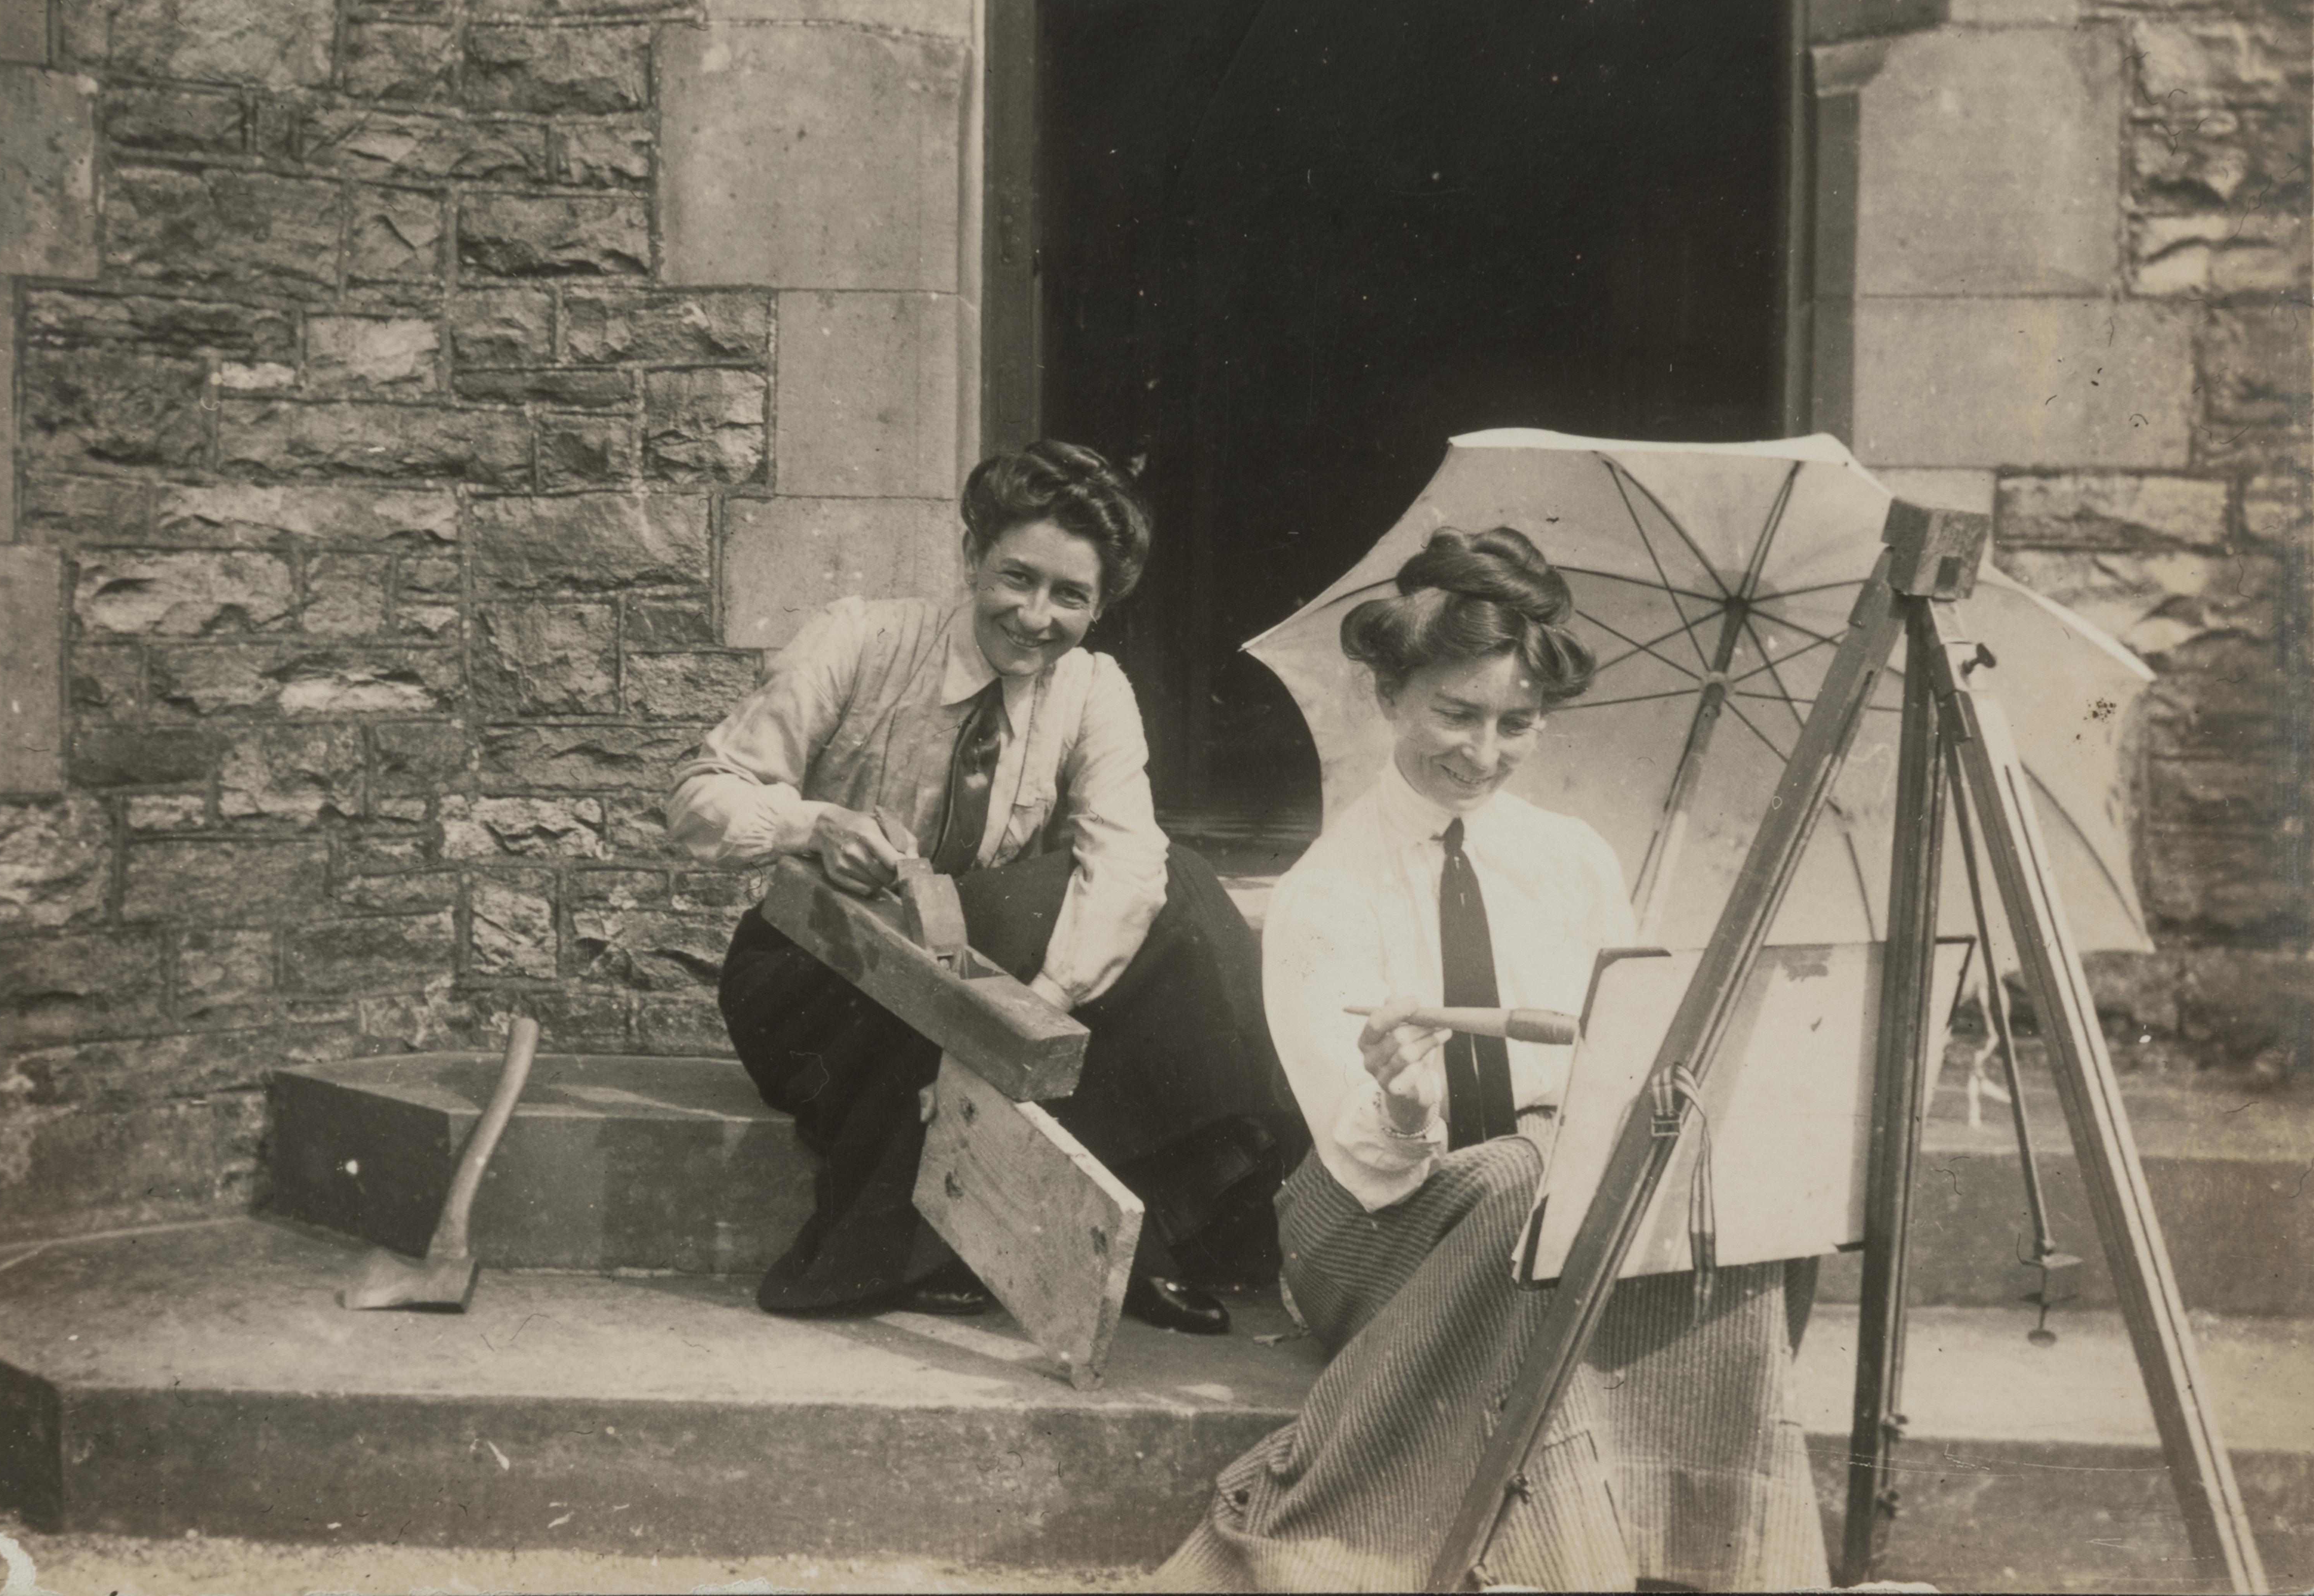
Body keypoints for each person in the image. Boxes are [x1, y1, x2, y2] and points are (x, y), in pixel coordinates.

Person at [1159, 525, 1830, 1591]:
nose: (1481, 750)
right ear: (1388, 697)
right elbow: (1368, 1158)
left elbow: (1620, 1067)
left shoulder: (1573, 861)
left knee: (1718, 1202)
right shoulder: (1325, 888)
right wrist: (1403, 1097)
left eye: (1517, 723)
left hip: (1541, 1199)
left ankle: (1720, 1546)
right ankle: (1545, 1553)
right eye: (1455, 713)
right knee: (1527, 1182)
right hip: (1370, 1219)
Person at [666, 440, 1302, 1333]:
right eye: (1017, 578)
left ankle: (1153, 1220)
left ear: (1101, 604)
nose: (1036, 616)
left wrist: (1032, 1018)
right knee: (1011, 921)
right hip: (820, 981)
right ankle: (908, 1244)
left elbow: (1126, 866)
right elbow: (696, 799)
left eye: (1071, 596)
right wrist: (815, 825)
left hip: (972, 980)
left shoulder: (1091, 690)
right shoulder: (862, 637)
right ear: (971, 559)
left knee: (1173, 892)